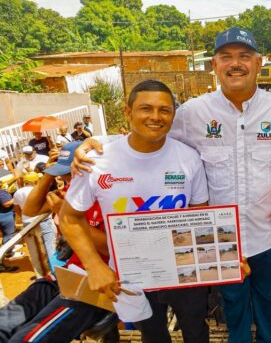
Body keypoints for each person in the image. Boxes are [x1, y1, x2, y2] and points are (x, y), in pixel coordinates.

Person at [73, 27, 271, 343]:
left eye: (244, 56)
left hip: (267, 238)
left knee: (268, 305)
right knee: (233, 312)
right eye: (226, 57)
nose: (236, 64)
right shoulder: (193, 113)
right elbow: (150, 135)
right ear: (215, 65)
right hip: (219, 240)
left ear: (258, 63)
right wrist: (98, 143)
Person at [60, 80, 211, 343]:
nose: (156, 116)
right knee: (152, 336)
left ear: (173, 115)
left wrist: (221, 256)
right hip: (132, 274)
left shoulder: (189, 158)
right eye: (146, 108)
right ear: (128, 112)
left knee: (196, 332)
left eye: (164, 110)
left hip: (183, 271)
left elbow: (201, 216)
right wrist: (95, 266)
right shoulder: (95, 160)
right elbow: (68, 217)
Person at [5, 142, 114, 343]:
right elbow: (30, 210)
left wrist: (64, 213)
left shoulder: (111, 196)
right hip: (66, 274)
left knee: (26, 339)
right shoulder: (73, 189)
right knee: (5, 322)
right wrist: (48, 175)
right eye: (62, 174)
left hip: (95, 281)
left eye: (69, 174)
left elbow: (111, 248)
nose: (65, 179)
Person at [13, 172, 56, 261]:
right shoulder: (39, 191)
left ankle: (39, 269)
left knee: (34, 248)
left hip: (27, 222)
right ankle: (53, 267)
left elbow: (16, 209)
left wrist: (25, 216)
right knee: (49, 245)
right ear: (36, 181)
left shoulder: (18, 192)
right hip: (42, 220)